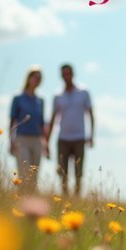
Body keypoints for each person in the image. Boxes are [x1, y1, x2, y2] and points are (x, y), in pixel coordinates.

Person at [47, 63, 94, 197]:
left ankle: (77, 197)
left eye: (69, 73)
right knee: (62, 172)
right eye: (64, 74)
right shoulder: (57, 95)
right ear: (61, 76)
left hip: (79, 138)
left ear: (73, 74)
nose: (67, 76)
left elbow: (90, 114)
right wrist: (47, 142)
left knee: (79, 172)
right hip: (63, 139)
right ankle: (65, 198)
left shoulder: (83, 93)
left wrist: (91, 135)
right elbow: (52, 119)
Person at [9, 67, 48, 190]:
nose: (37, 80)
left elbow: (42, 124)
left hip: (37, 141)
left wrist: (46, 144)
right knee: (24, 172)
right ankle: (21, 200)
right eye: (35, 77)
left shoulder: (40, 101)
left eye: (39, 78)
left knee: (34, 175)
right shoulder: (18, 98)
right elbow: (12, 122)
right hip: (22, 140)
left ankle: (31, 201)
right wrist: (11, 141)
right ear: (29, 78)